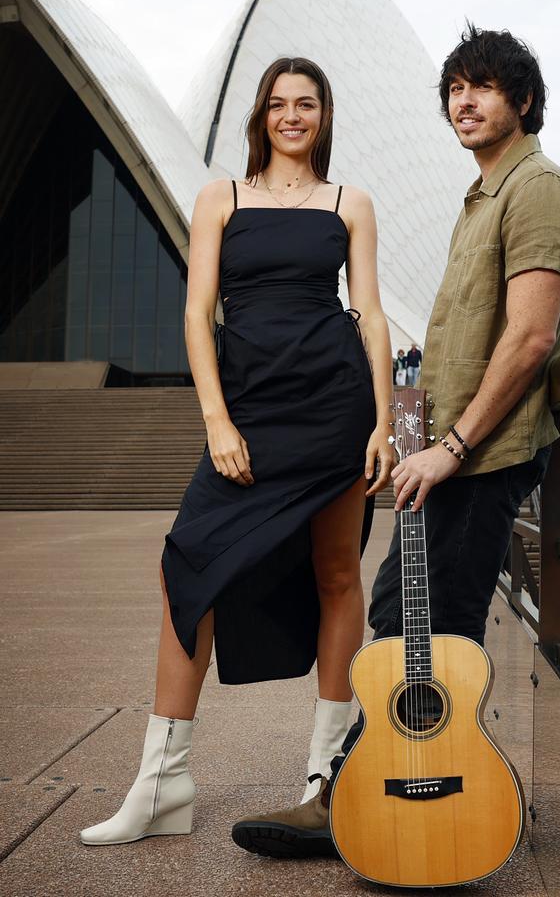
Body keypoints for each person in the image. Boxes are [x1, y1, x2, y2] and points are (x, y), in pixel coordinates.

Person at [231, 23, 560, 856]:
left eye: (483, 86)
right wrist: (399, 433)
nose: (464, 101)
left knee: (421, 640)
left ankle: (386, 804)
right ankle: (367, 796)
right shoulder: (483, 198)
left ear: (524, 100)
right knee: (401, 625)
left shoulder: (539, 191)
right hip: (445, 454)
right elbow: (443, 347)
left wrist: (454, 447)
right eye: (455, 89)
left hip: (484, 456)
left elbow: (531, 339)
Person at [79, 57, 394, 846]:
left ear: (324, 115)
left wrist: (386, 423)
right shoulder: (219, 197)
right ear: (261, 115)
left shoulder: (349, 202)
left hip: (333, 406)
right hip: (250, 406)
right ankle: (162, 785)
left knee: (336, 573)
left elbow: (373, 316)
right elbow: (197, 314)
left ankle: (327, 776)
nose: (293, 116)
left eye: (308, 104)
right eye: (280, 104)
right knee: (188, 562)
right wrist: (217, 421)